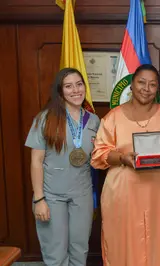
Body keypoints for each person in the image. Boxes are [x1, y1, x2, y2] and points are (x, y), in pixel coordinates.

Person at [91, 64, 160, 266]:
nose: (146, 88)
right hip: (123, 193)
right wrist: (123, 158)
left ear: (157, 89)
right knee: (124, 243)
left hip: (158, 193)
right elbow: (98, 154)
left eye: (152, 84)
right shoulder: (113, 117)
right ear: (131, 85)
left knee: (158, 242)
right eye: (141, 82)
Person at [25, 68, 100, 265]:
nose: (75, 90)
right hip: (51, 196)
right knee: (55, 252)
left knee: (79, 249)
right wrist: (39, 199)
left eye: (79, 84)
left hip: (82, 195)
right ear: (60, 91)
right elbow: (36, 161)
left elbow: (99, 157)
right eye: (68, 86)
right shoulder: (45, 119)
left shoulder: (93, 120)